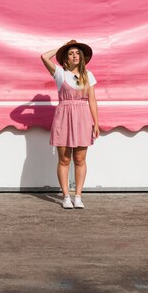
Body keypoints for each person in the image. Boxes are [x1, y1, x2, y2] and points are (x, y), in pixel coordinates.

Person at [41, 40, 99, 209]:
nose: (75, 56)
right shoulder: (60, 73)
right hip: (64, 116)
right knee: (64, 159)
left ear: (82, 58)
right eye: (71, 53)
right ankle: (66, 196)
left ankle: (78, 196)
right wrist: (62, 48)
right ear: (66, 58)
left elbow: (93, 101)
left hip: (82, 117)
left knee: (80, 159)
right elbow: (44, 57)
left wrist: (96, 123)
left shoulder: (88, 75)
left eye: (77, 53)